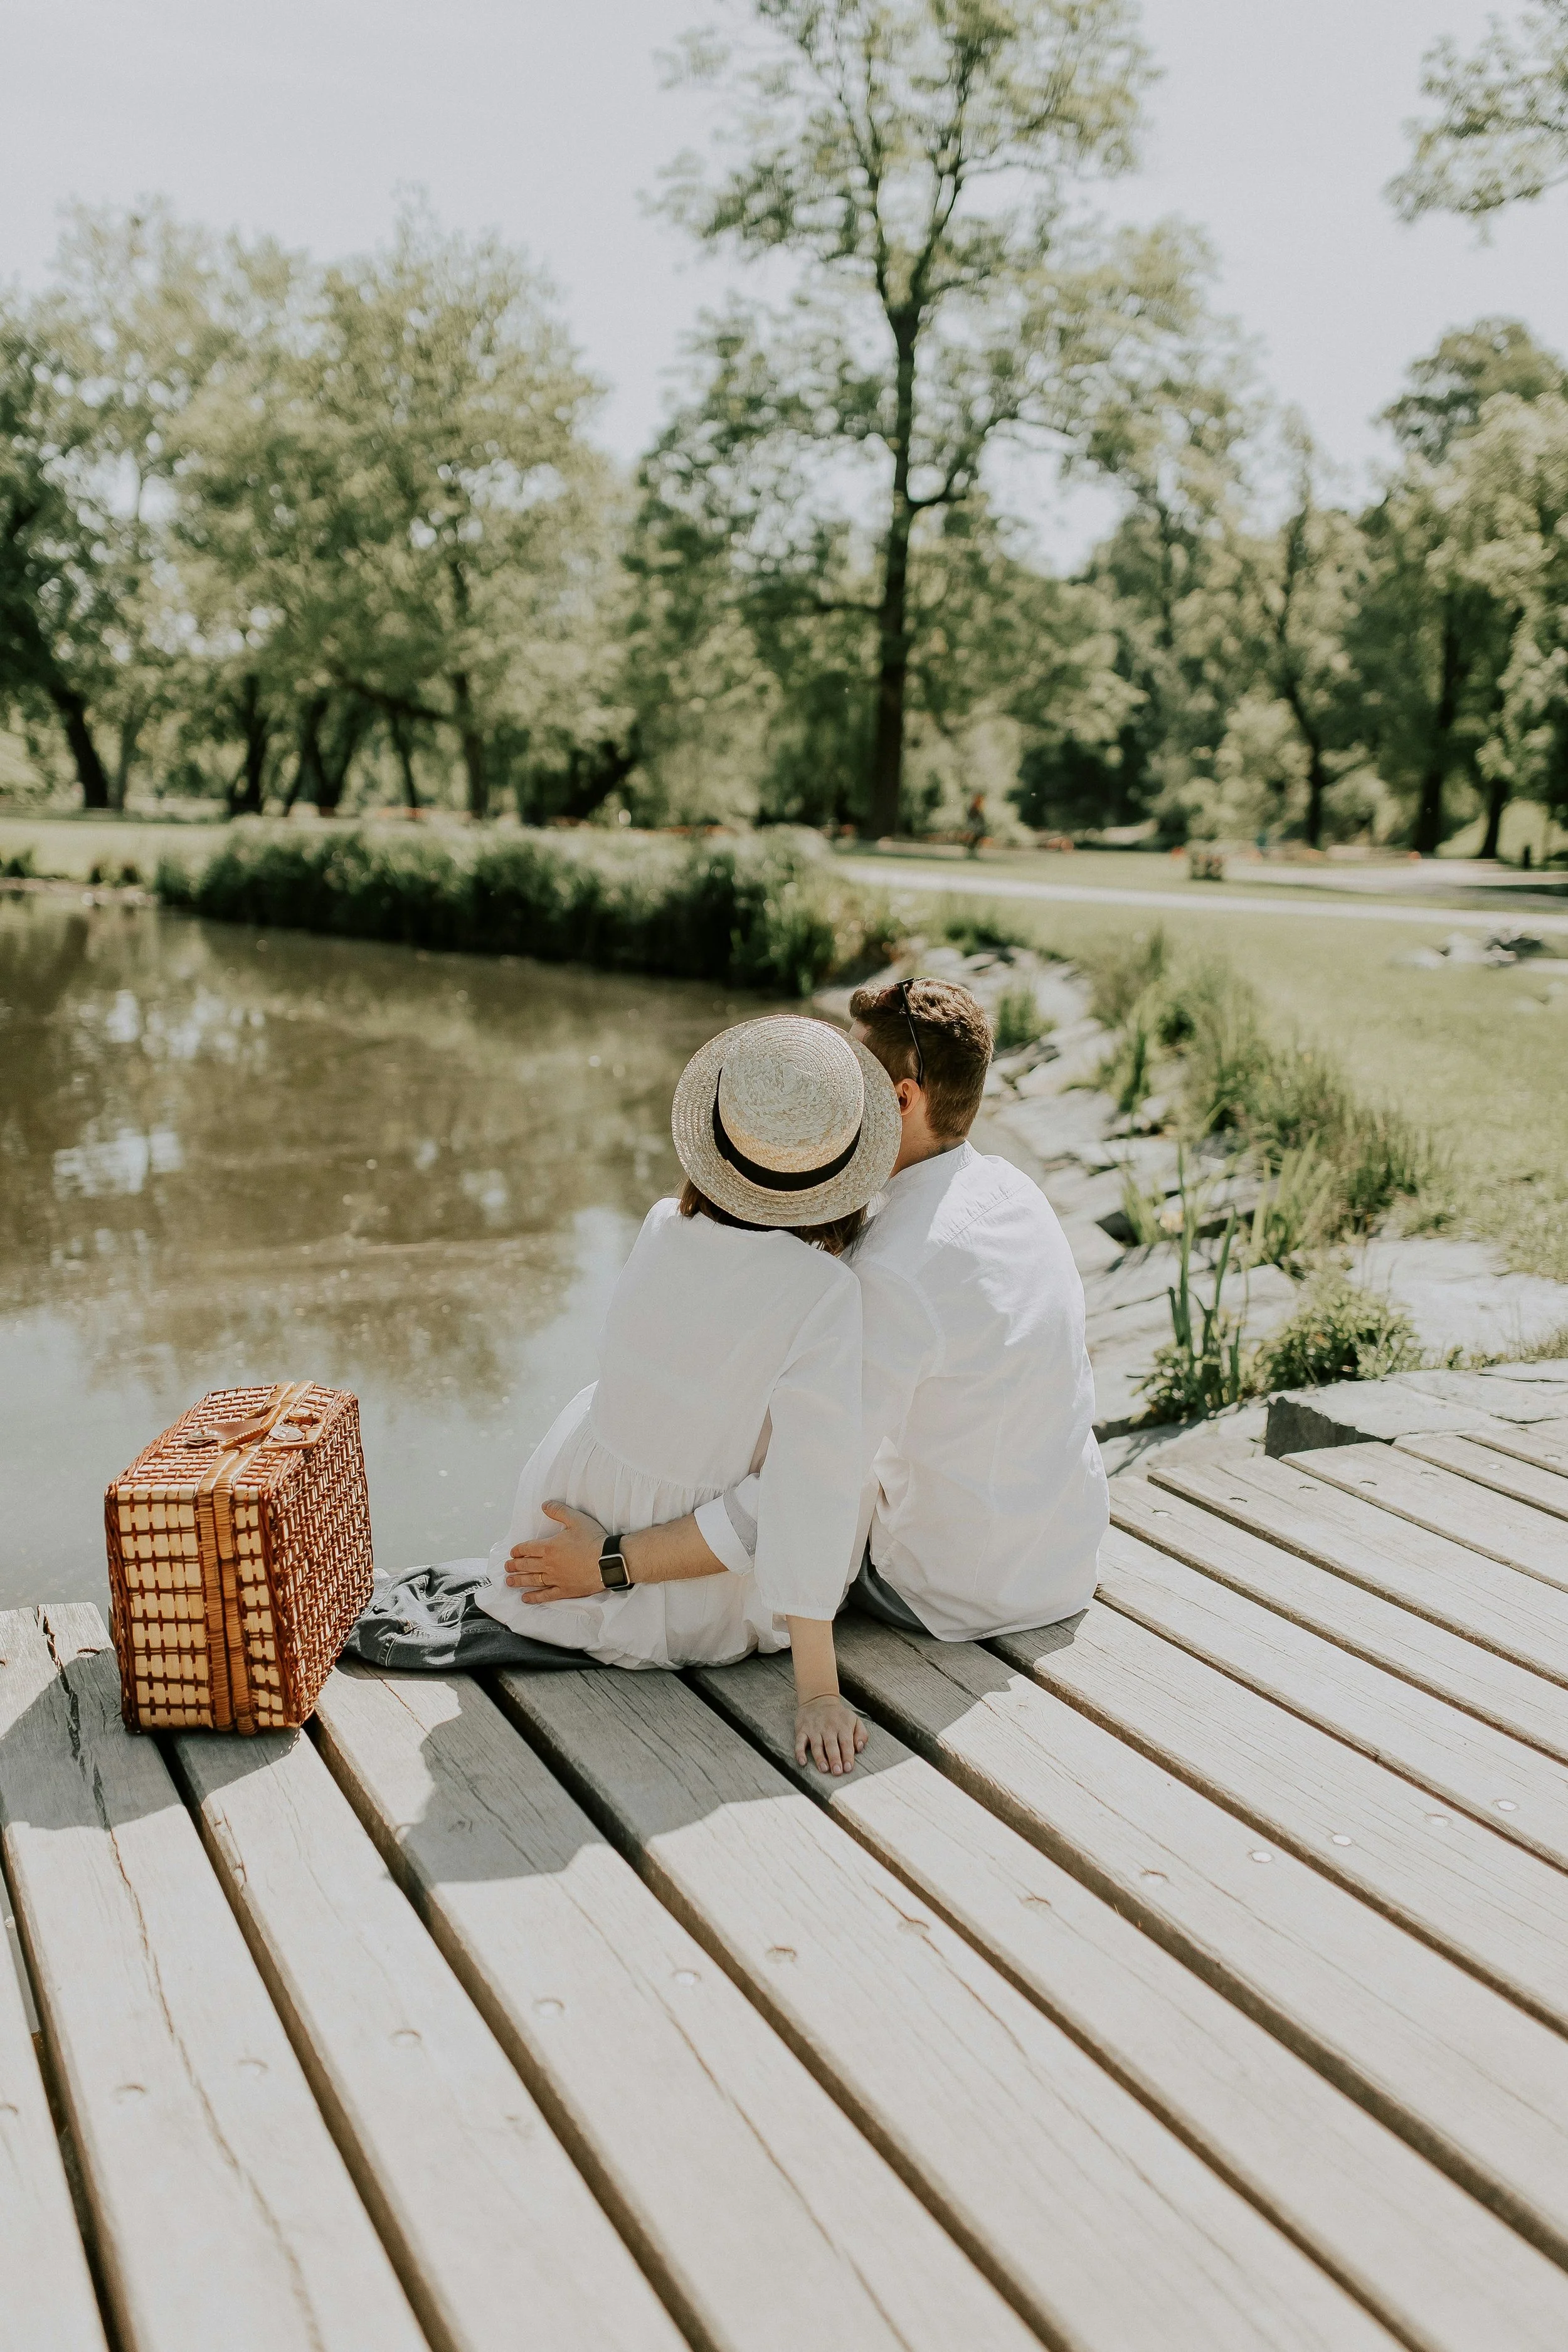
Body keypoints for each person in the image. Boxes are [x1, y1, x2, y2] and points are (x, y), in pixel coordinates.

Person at [345, 1014, 901, 1775]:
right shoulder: (824, 1293)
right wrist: (817, 1691)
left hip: (565, 1519)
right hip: (678, 1599)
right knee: (852, 1468)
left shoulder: (661, 1224)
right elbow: (806, 1494)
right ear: (842, 1167)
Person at [518, 976, 1107, 1645]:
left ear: (901, 1098)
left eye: (850, 1077)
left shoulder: (888, 1270)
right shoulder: (1014, 1191)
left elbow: (799, 1493)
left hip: (951, 1592)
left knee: (778, 1445)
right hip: (1061, 1560)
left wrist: (611, 1564)